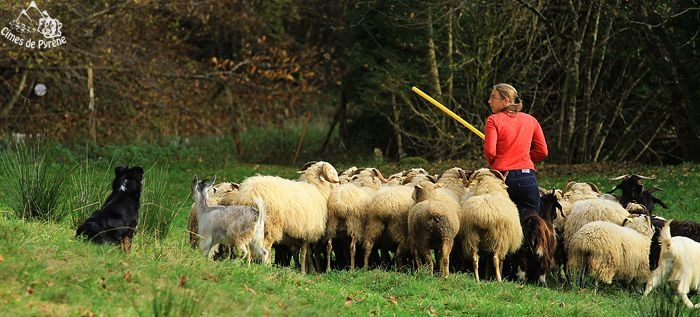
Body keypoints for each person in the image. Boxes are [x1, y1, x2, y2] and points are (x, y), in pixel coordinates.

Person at [484, 83, 548, 213]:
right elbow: (542, 151)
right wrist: (524, 158)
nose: (489, 101)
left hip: (503, 178)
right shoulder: (531, 120)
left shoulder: (493, 120)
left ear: (506, 101)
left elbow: (490, 151)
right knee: (533, 222)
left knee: (504, 225)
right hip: (527, 178)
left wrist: (497, 163)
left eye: (493, 97)